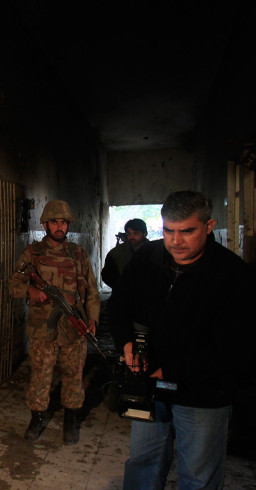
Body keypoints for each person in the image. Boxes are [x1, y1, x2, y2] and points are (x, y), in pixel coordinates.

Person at [109, 191, 255, 489]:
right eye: (168, 231)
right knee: (142, 463)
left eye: (186, 231)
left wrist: (172, 371)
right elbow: (119, 305)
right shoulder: (147, 258)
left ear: (209, 226)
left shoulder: (232, 274)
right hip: (148, 386)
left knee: (199, 475)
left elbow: (235, 345)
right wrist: (126, 344)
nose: (175, 241)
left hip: (204, 392)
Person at [9, 200, 100, 444]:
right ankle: (37, 419)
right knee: (40, 376)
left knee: (73, 376)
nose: (59, 226)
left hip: (73, 327)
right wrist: (30, 290)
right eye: (54, 222)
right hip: (42, 329)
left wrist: (92, 318)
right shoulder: (32, 254)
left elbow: (91, 291)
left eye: (63, 222)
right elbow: (14, 285)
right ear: (46, 225)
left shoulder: (79, 254)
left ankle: (71, 421)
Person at [101, 218, 149, 289]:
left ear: (145, 234)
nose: (131, 237)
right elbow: (107, 276)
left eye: (136, 233)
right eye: (129, 233)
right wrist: (122, 289)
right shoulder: (116, 253)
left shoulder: (155, 252)